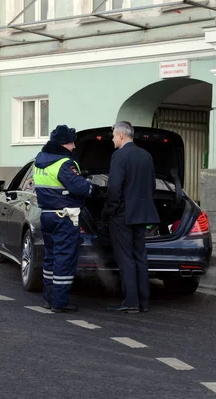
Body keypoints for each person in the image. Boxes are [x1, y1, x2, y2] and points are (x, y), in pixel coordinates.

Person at [33, 125, 94, 313]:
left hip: (47, 215)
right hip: (65, 217)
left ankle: (48, 298)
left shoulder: (40, 161)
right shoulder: (64, 163)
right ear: (64, 143)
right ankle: (60, 302)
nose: (74, 146)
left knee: (50, 258)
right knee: (64, 259)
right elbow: (79, 187)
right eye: (72, 142)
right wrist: (94, 189)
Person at [102, 121, 159, 313]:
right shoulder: (146, 155)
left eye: (113, 136)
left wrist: (109, 211)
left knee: (125, 258)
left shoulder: (119, 156)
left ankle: (130, 302)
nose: (112, 140)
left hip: (123, 215)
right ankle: (143, 301)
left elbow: (114, 188)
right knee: (140, 257)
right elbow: (151, 185)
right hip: (142, 214)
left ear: (120, 136)